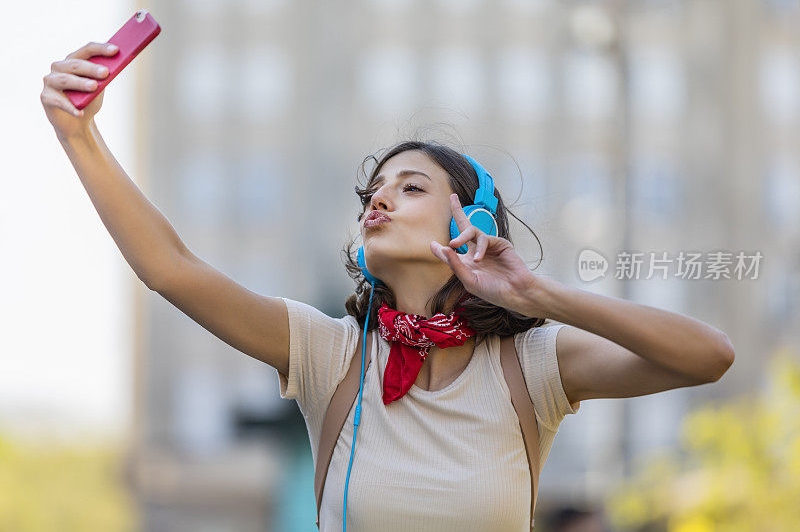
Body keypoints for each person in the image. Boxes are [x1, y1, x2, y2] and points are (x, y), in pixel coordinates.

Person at [42, 42, 736, 532]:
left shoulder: (536, 366)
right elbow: (170, 267)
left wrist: (538, 294)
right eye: (373, 191)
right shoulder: (328, 353)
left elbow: (708, 356)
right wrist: (81, 136)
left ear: (473, 221)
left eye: (410, 188)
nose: (379, 201)